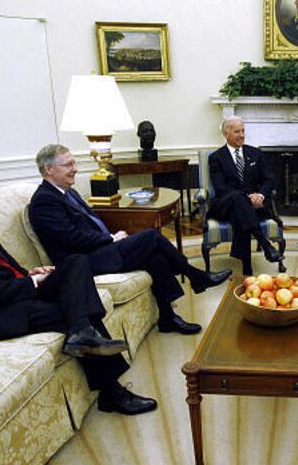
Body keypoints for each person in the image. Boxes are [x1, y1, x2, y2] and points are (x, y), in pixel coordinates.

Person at [0, 176, 157, 415]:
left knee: (76, 263)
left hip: (14, 293)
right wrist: (30, 283)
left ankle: (82, 334)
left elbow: (3, 266)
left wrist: (29, 273)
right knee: (73, 311)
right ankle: (112, 392)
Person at [29, 144, 231, 335]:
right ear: (49, 169)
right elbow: (70, 238)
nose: (75, 169)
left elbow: (88, 225)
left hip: (97, 251)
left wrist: (111, 238)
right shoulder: (44, 200)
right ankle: (195, 275)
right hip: (81, 263)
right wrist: (110, 238)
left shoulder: (68, 192)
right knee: (152, 236)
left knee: (154, 256)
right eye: (68, 165)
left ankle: (167, 317)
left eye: (74, 163)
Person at [207, 116, 284, 276]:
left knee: (240, 213)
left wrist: (260, 195)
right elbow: (221, 189)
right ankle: (266, 246)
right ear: (226, 134)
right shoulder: (216, 158)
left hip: (251, 208)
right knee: (238, 200)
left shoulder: (255, 154)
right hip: (225, 205)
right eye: (237, 132)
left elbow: (269, 180)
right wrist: (248, 197)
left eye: (243, 131)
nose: (241, 135)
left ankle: (247, 270)